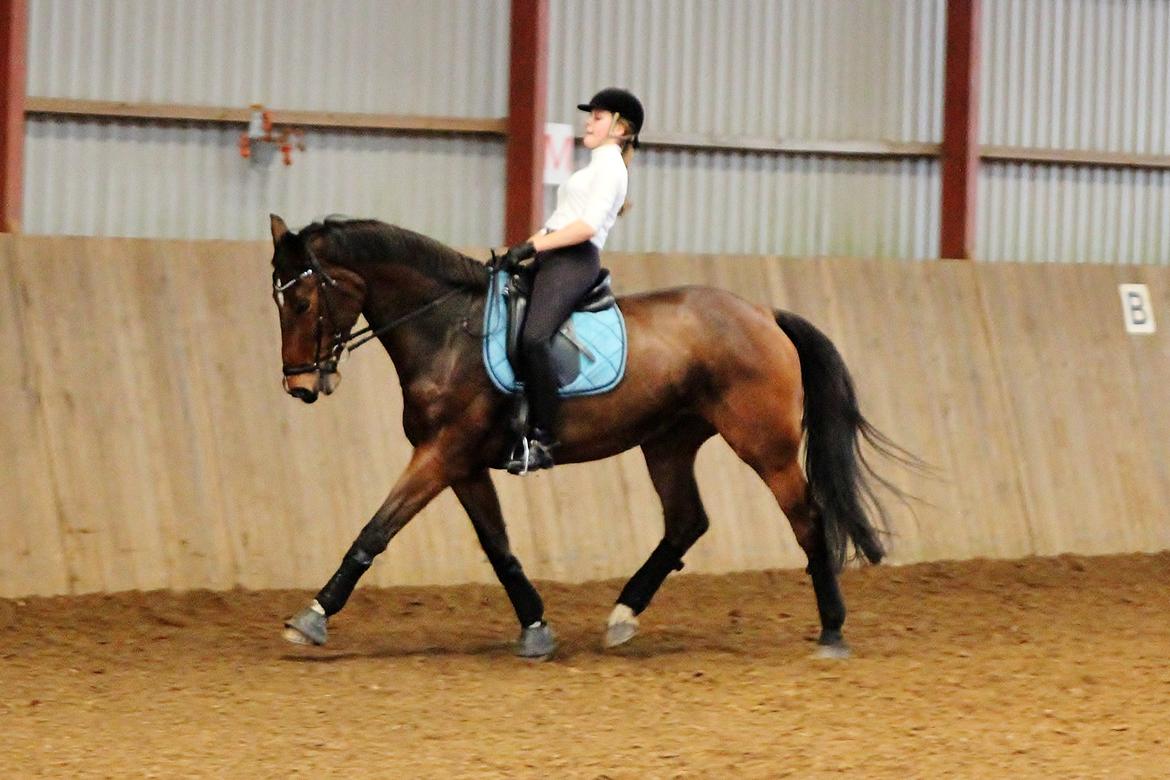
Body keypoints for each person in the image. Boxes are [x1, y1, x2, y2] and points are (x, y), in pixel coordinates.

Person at [501, 87, 644, 474]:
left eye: (598, 117)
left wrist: (537, 247)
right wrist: (522, 248)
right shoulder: (591, 168)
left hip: (574, 260)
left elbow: (584, 227)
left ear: (620, 128)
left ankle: (543, 438)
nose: (588, 122)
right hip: (553, 254)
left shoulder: (611, 169)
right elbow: (559, 220)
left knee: (534, 337)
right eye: (591, 116)